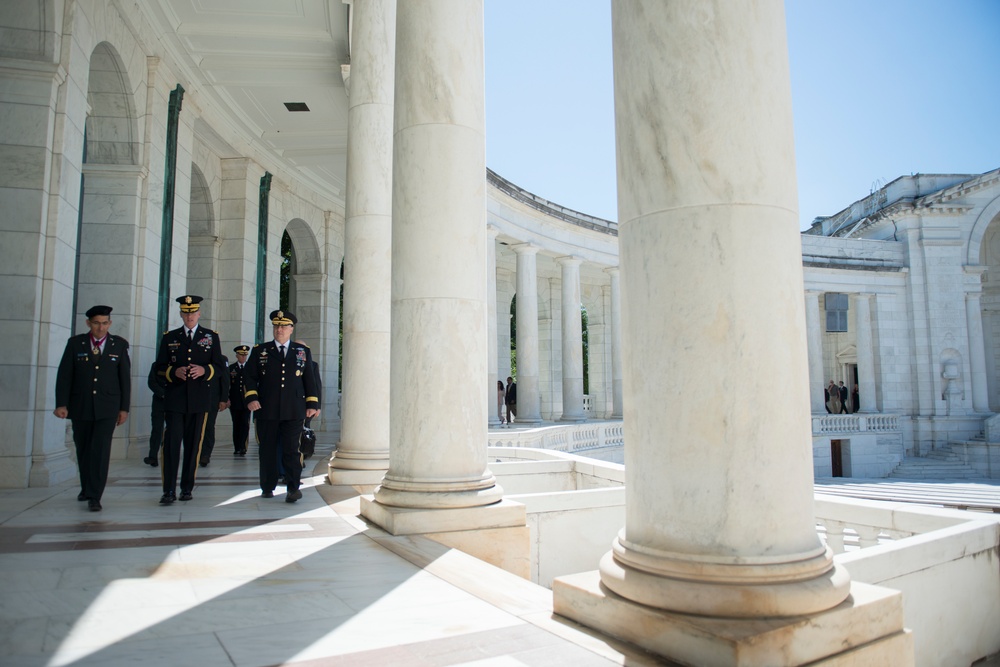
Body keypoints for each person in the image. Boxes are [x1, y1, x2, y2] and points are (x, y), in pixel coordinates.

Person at [54, 305, 131, 512]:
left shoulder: (119, 345)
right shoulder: (75, 343)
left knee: (100, 449)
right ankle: (86, 487)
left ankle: (95, 495)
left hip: (108, 407)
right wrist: (61, 403)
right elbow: (65, 375)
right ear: (89, 323)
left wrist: (124, 408)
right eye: (96, 323)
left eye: (105, 323)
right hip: (81, 406)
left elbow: (125, 380)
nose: (101, 327)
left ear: (110, 323)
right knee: (84, 448)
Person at [154, 295, 225, 504]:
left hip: (200, 401)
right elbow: (159, 367)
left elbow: (220, 367)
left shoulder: (211, 337)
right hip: (175, 401)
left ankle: (187, 488)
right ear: (181, 314)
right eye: (186, 312)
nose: (189, 316)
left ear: (199, 313)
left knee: (194, 447)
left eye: (193, 312)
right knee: (171, 446)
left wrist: (204, 369)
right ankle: (168, 490)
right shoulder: (170, 337)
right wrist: (173, 372)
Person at [244, 310, 321, 503]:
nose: (280, 329)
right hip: (266, 409)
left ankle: (293, 487)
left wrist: (312, 403)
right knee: (267, 449)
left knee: (292, 450)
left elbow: (309, 380)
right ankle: (267, 486)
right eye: (277, 326)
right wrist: (251, 398)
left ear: (291, 329)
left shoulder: (302, 351)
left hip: (294, 409)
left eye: (284, 326)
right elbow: (250, 377)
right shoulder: (260, 350)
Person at [199, 354, 230, 467]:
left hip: (212, 399)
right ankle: (196, 452)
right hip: (196, 399)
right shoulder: (198, 356)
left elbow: (225, 379)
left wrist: (223, 399)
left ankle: (205, 454)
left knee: (208, 426)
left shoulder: (221, 359)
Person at [229, 345, 251, 456]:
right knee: (236, 424)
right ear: (237, 355)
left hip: (247, 402)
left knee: (244, 424)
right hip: (235, 401)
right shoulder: (232, 368)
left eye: (245, 355)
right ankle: (237, 447)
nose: (243, 357)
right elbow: (228, 385)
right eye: (241, 355)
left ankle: (243, 446)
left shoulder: (250, 368)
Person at [145, 361, 167, 466]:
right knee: (156, 429)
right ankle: (153, 456)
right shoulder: (156, 365)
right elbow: (151, 382)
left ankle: (168, 454)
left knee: (173, 430)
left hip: (176, 402)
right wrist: (163, 394)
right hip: (159, 401)